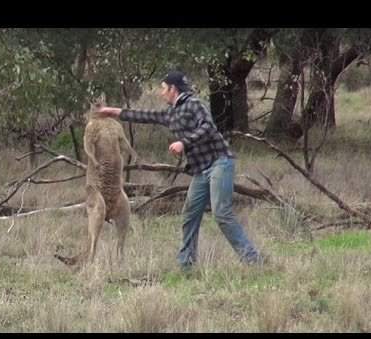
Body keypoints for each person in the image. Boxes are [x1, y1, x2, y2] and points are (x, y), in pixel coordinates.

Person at [96, 70, 261, 269]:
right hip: (201, 170)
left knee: (221, 213)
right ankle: (187, 265)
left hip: (220, 162)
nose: (161, 93)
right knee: (190, 214)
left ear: (173, 89)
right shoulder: (171, 112)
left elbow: (208, 127)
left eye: (164, 88)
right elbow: (146, 115)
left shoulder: (194, 105)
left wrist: (184, 142)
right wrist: (115, 112)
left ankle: (253, 261)